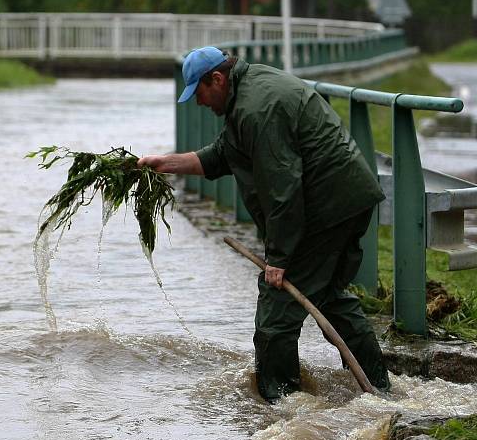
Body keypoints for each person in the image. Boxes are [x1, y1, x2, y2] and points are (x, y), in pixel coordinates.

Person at [137, 46, 390, 402]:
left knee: (275, 315)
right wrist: (167, 163)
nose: (199, 103)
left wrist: (279, 258)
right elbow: (225, 153)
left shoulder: (257, 108)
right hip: (345, 200)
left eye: (200, 93)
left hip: (326, 207)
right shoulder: (250, 92)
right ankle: (378, 389)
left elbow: (282, 189)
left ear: (217, 79)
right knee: (329, 297)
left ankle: (283, 407)